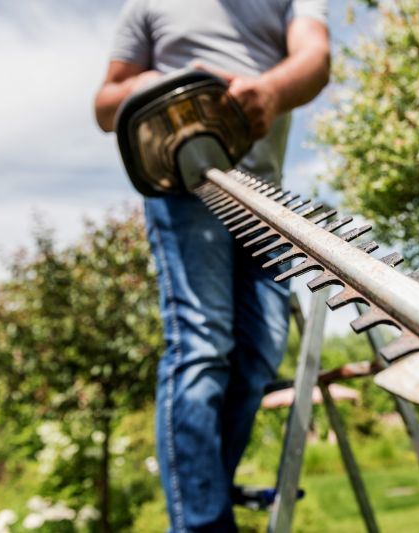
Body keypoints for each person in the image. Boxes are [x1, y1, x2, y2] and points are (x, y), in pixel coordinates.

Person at [93, 1, 330, 531]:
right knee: (201, 344)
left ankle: (206, 501)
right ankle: (203, 524)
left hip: (264, 195)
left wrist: (271, 91)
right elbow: (105, 104)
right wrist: (152, 83)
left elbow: (315, 58)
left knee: (258, 355)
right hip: (184, 185)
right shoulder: (149, 5)